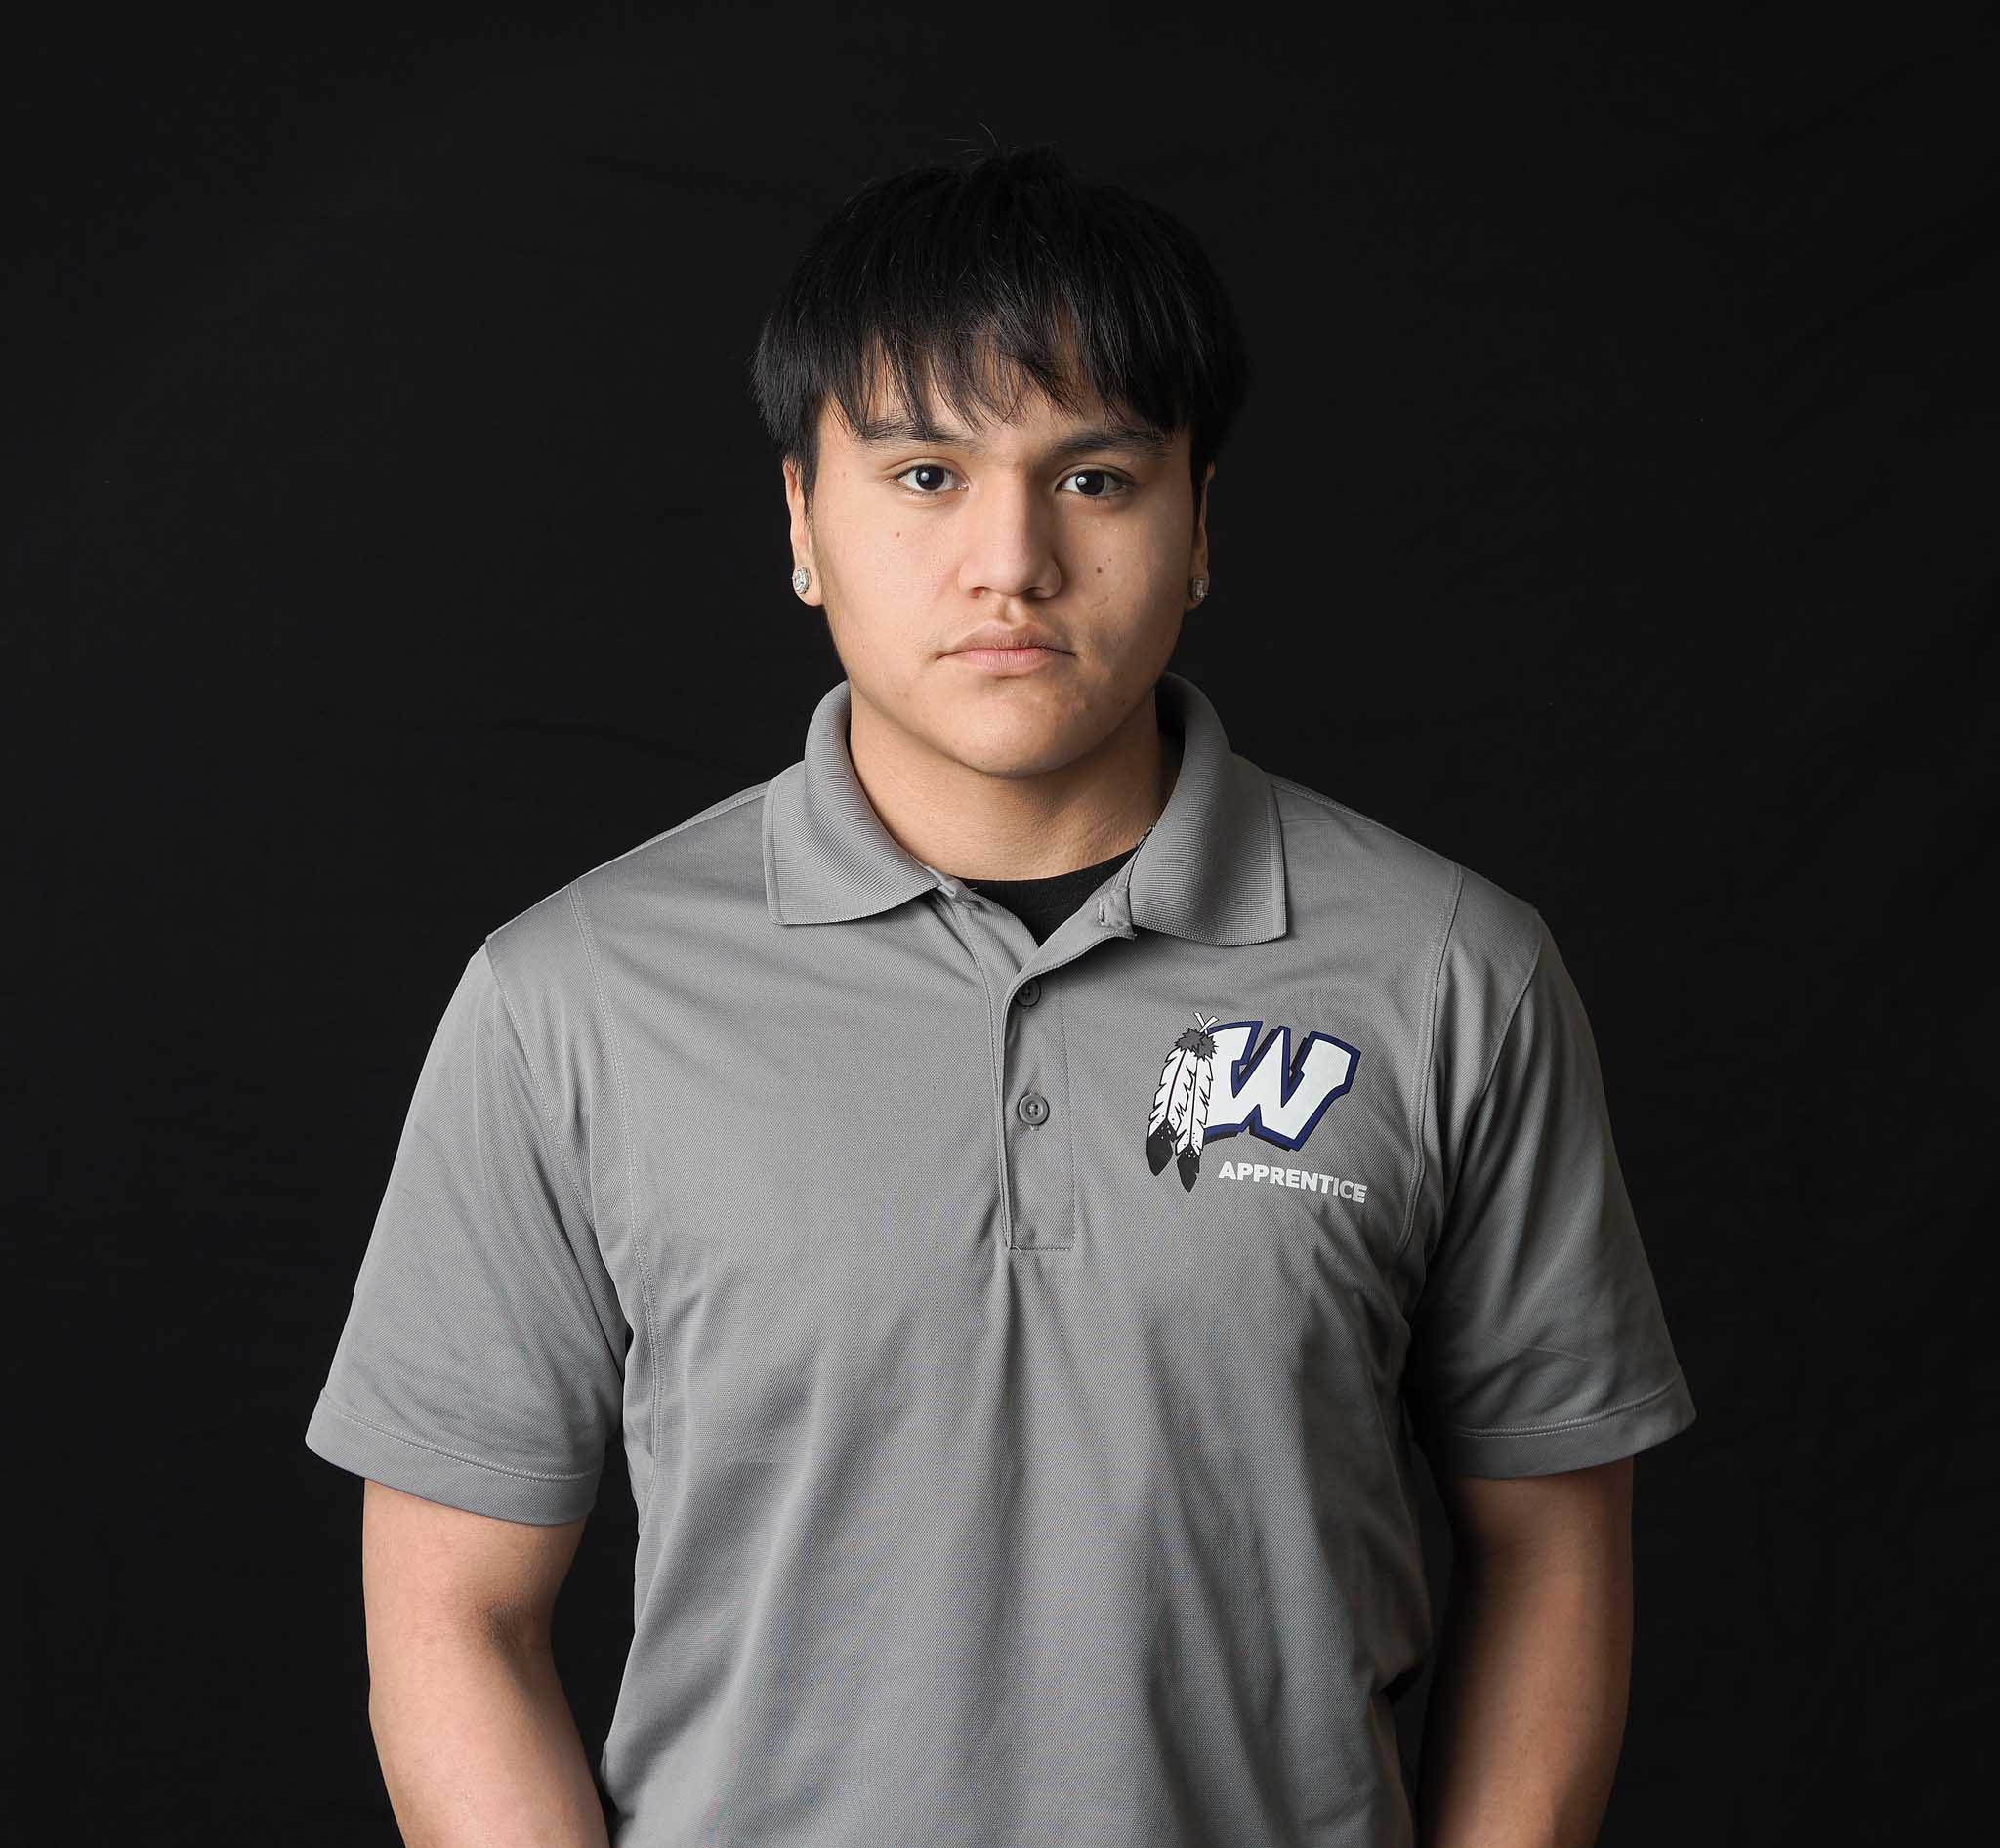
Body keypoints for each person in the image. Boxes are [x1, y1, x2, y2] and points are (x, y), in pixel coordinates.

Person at [306, 142, 1696, 1848]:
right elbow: (450, 1613)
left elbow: (1553, 1550)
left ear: (1200, 525)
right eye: (925, 474)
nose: (1011, 561)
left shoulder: (1454, 972)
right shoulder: (567, 1000)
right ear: (803, 523)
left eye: (1096, 478)